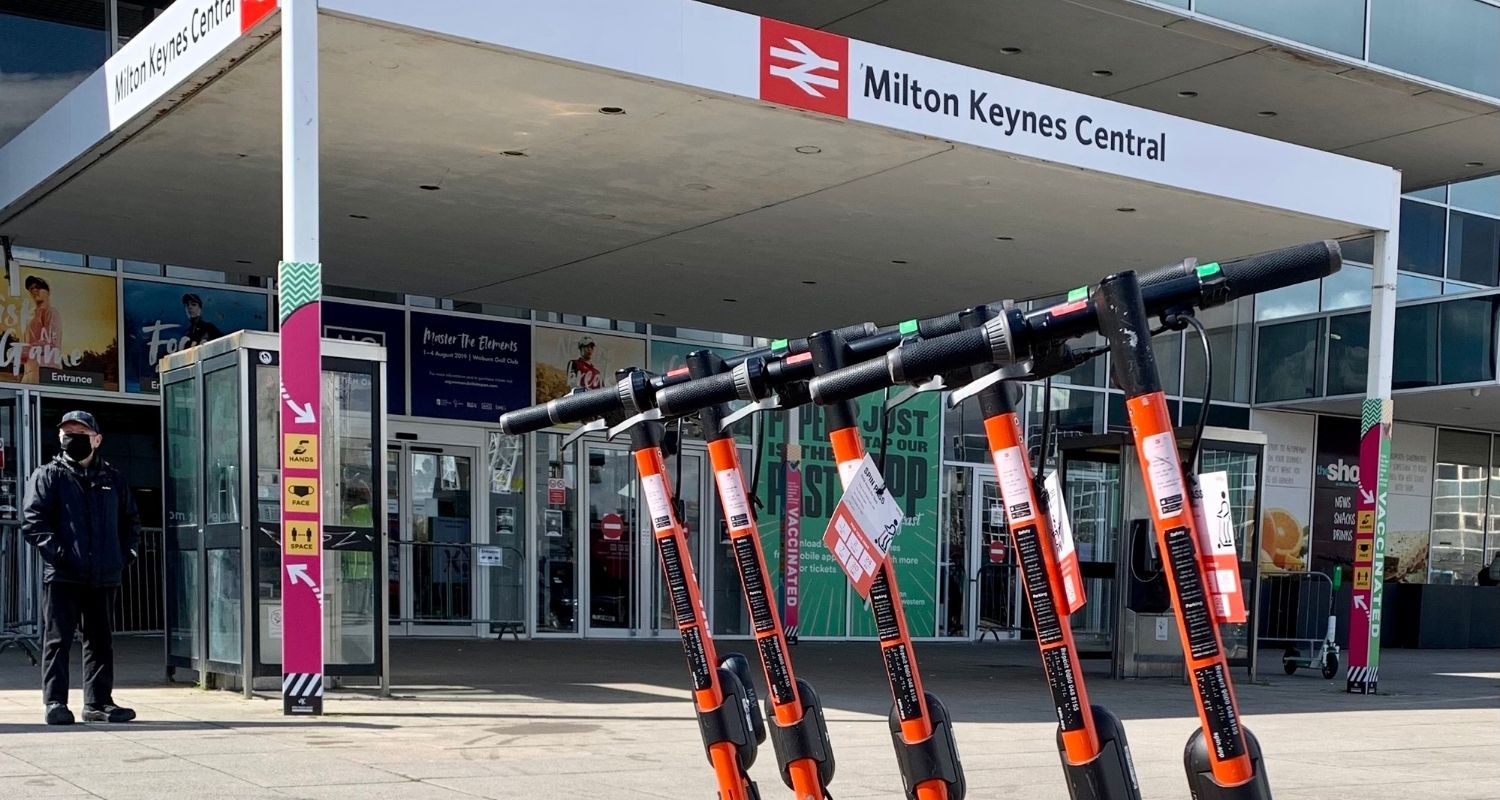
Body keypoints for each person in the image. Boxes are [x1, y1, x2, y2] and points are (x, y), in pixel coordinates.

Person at [22, 410, 141, 725]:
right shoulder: (48, 475)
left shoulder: (113, 478)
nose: (72, 439)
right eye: (67, 434)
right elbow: (32, 521)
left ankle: (99, 703)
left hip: (104, 574)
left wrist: (125, 553)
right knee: (57, 640)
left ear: (97, 439)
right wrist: (58, 554)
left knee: (101, 641)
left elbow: (131, 520)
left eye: (81, 434)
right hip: (63, 575)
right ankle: (56, 703)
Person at [21, 275, 63, 382]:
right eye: (31, 288)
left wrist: (24, 350)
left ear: (47, 291)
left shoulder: (50, 312)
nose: (34, 290)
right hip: (30, 370)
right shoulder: (32, 317)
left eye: (38, 287)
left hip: (47, 369)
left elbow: (51, 342)